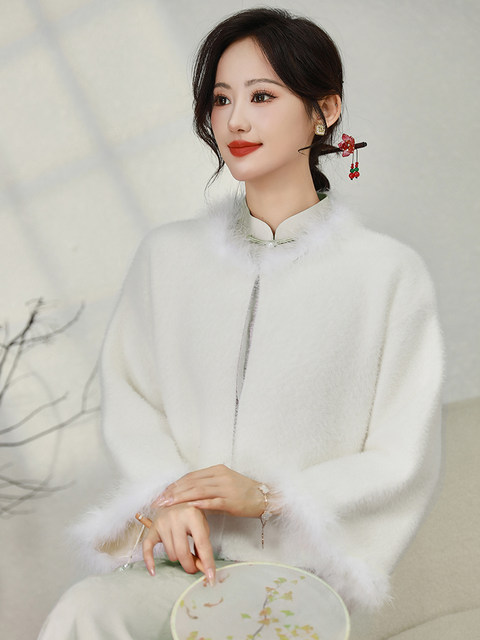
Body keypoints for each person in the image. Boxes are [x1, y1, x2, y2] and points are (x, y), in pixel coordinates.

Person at [38, 7, 444, 639]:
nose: (236, 120)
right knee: (87, 612)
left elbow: (400, 453)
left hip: (298, 577)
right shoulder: (168, 258)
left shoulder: (387, 274)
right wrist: (168, 498)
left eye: (262, 96)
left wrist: (270, 497)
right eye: (222, 99)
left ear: (324, 110)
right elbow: (134, 397)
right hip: (181, 564)